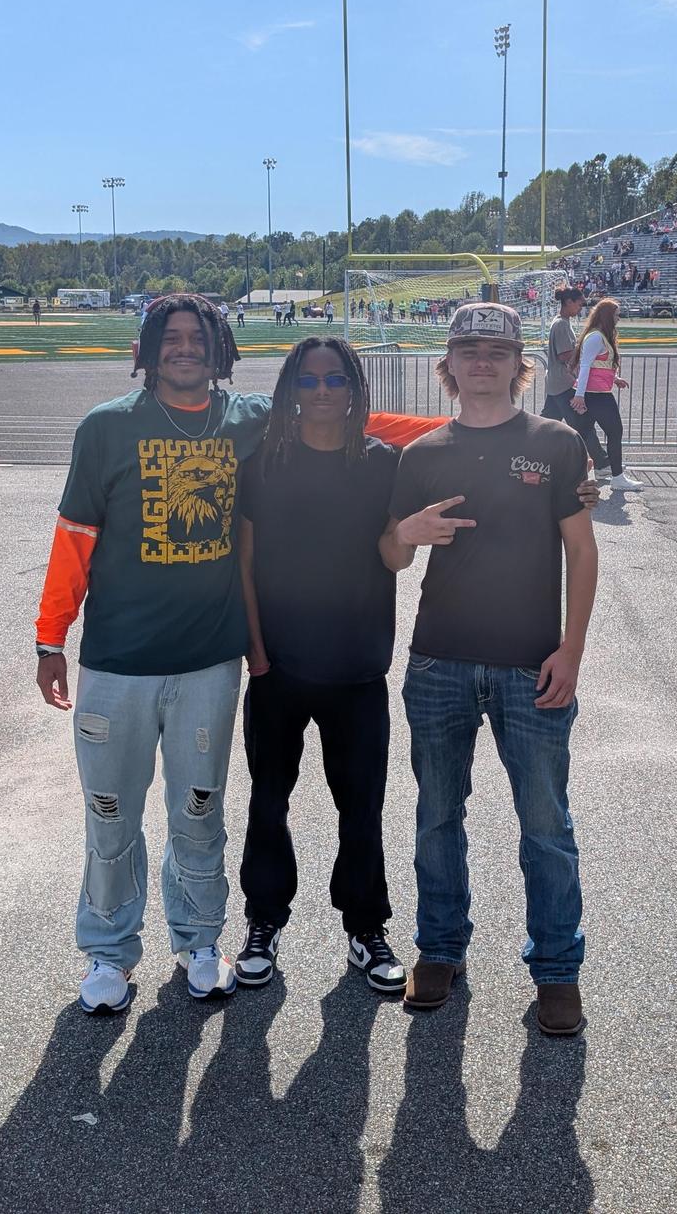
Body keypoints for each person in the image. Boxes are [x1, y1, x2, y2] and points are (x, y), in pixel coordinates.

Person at [35, 293, 442, 1017]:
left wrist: (488, 436)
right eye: (171, 337)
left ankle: (199, 941)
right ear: (148, 347)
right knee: (111, 814)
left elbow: (360, 422)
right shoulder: (106, 428)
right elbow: (75, 537)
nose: (185, 348)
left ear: (220, 350)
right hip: (120, 660)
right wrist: (50, 635)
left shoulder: (245, 419)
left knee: (199, 811)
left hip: (209, 661)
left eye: (198, 337)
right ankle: (109, 950)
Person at [382, 301, 601, 1039]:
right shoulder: (423, 453)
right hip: (439, 660)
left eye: (497, 352)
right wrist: (407, 533)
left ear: (518, 365)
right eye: (469, 350)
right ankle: (440, 949)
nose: (482, 362)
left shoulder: (556, 442)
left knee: (545, 824)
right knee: (437, 816)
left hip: (531, 663)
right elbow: (391, 554)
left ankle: (557, 969)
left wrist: (571, 649)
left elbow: (582, 551)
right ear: (447, 364)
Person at [234, 337, 408, 995]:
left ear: (355, 389)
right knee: (268, 800)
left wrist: (574, 467)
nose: (323, 391)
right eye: (308, 381)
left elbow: (400, 548)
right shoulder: (263, 463)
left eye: (336, 379)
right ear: (291, 391)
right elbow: (245, 560)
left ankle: (366, 927)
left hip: (357, 666)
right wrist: (255, 648)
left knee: (361, 807)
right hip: (277, 665)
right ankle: (263, 921)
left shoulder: (383, 463)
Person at [571, 298, 640, 491]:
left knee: (583, 434)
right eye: (616, 315)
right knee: (614, 432)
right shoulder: (596, 338)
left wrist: (614, 378)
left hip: (595, 394)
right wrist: (579, 395)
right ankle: (617, 477)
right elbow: (585, 366)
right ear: (607, 316)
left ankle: (599, 471)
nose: (619, 318)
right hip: (596, 396)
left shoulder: (600, 336)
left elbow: (597, 365)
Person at [541, 286, 586, 425]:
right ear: (568, 302)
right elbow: (564, 355)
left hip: (556, 382)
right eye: (579, 304)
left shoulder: (561, 321)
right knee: (583, 426)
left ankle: (530, 439)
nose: (580, 309)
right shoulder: (561, 324)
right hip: (564, 383)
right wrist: (582, 348)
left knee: (547, 426)